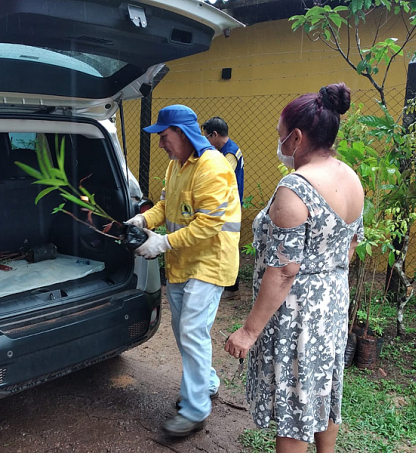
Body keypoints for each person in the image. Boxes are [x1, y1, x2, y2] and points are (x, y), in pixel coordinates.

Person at [224, 83, 364, 453]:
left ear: (297, 137)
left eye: (280, 135)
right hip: (333, 305)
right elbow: (350, 246)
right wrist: (325, 279)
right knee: (322, 389)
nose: (280, 142)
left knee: (295, 402)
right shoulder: (350, 177)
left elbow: (284, 271)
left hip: (297, 313)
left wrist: (248, 333)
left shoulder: (296, 188)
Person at [126, 105, 241, 437]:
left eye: (164, 137)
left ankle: (195, 410)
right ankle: (207, 382)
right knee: (184, 330)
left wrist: (162, 244)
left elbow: (209, 222)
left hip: (210, 261)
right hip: (183, 261)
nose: (161, 144)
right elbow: (165, 205)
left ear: (183, 133)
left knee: (190, 329)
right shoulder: (176, 166)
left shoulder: (213, 168)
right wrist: (143, 220)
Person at [202, 117, 244, 300]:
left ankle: (231, 288)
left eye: (207, 137)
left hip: (228, 206)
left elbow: (220, 178)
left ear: (215, 134)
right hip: (227, 204)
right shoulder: (229, 150)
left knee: (227, 246)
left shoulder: (229, 154)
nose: (206, 141)